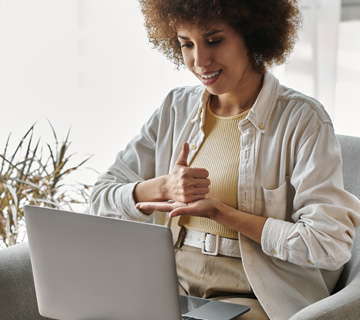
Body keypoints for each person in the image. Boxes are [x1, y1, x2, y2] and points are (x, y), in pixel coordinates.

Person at [90, 0, 360, 319]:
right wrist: (161, 186)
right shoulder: (175, 108)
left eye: (214, 40)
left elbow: (328, 244)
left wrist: (224, 214)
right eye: (186, 44)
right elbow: (100, 198)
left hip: (253, 295)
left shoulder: (303, 120)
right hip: (169, 288)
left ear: (252, 34)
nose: (200, 60)